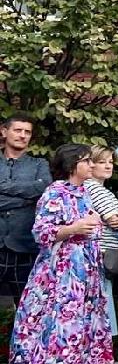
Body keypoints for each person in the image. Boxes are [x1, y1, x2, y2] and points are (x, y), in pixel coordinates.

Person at [6, 144, 115, 364]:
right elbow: (42, 233)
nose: (91, 165)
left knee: (79, 327)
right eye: (86, 161)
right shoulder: (55, 192)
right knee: (58, 327)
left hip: (83, 269)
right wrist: (73, 228)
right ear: (71, 165)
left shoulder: (84, 193)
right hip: (61, 270)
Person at [0, 113, 51, 304]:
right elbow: (35, 192)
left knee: (27, 310)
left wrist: (3, 187)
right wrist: (27, 198)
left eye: (27, 132)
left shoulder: (39, 164)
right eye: (18, 130)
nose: (23, 135)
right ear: (4, 132)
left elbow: (44, 190)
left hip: (24, 247)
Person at [84, 146, 118, 336]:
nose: (108, 166)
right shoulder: (95, 189)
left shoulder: (96, 189)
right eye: (101, 162)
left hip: (99, 252)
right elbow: (116, 218)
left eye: (111, 162)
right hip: (101, 252)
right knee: (102, 301)